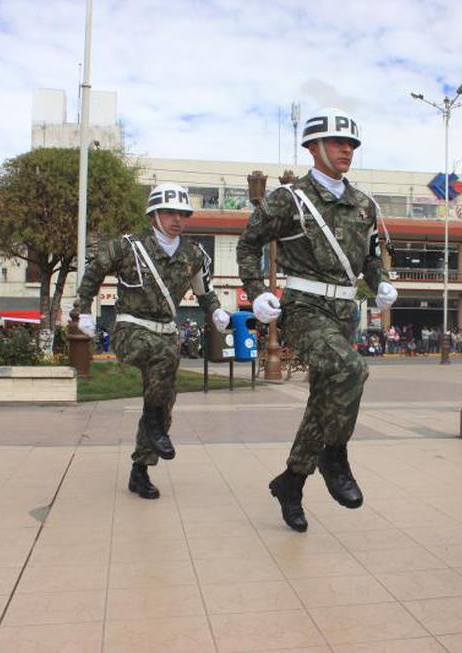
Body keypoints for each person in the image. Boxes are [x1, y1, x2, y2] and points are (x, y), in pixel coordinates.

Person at [236, 107, 397, 532]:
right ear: (313, 147)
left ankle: (290, 483)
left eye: (351, 144)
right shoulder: (287, 199)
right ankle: (334, 457)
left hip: (345, 312)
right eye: (338, 142)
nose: (347, 150)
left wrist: (381, 282)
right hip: (305, 308)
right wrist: (257, 291)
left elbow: (370, 258)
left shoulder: (364, 204)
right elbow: (248, 245)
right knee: (351, 370)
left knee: (324, 402)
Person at [71, 183, 230, 499]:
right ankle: (154, 426)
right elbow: (93, 273)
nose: (177, 219)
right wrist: (83, 310)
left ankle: (140, 470)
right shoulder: (127, 247)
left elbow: (204, 292)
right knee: (162, 358)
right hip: (130, 328)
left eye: (182, 214)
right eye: (169, 212)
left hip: (166, 331)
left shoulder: (193, 254)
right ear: (154, 214)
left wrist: (215, 311)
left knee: (164, 400)